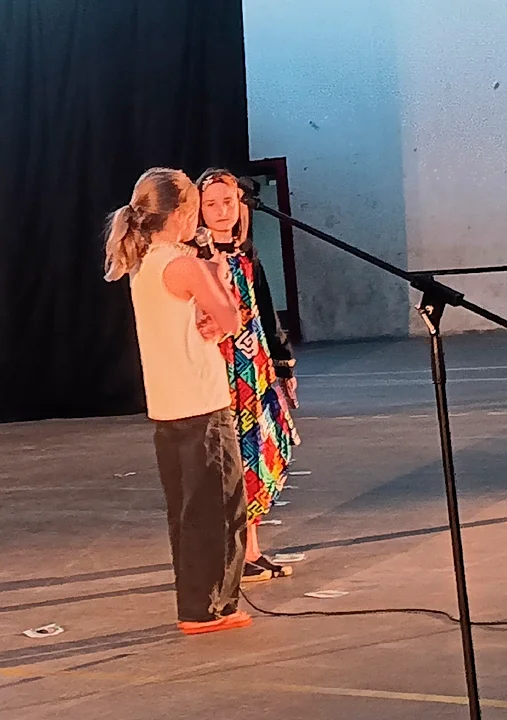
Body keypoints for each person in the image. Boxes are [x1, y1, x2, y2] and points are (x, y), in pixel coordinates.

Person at [103, 167, 253, 634]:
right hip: (200, 402)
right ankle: (210, 607)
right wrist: (217, 275)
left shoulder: (145, 262)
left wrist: (209, 314)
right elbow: (231, 317)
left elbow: (205, 319)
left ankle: (197, 602)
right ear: (183, 213)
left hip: (168, 405)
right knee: (220, 508)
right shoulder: (183, 264)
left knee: (188, 512)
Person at [190, 168, 301, 581]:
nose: (222, 211)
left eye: (228, 202)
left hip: (254, 370)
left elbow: (266, 311)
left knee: (257, 455)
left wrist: (283, 362)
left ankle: (251, 549)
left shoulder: (246, 255)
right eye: (211, 204)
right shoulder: (195, 260)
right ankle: (231, 554)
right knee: (227, 462)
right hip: (219, 370)